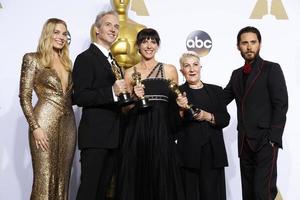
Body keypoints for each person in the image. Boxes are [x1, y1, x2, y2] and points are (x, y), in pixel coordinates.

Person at [116, 28, 185, 200]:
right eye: (145, 41)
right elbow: (125, 110)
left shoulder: (169, 70)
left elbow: (173, 106)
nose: (149, 45)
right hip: (137, 132)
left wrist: (181, 105)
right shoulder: (130, 72)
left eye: (153, 41)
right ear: (138, 46)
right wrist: (133, 96)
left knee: (162, 177)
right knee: (137, 177)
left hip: (162, 131)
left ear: (158, 46)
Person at [223, 26, 288, 200]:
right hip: (244, 142)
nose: (249, 47)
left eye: (253, 42)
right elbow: (221, 99)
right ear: (238, 46)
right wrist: (194, 91)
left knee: (263, 192)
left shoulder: (271, 69)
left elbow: (281, 105)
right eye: (245, 43)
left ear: (260, 44)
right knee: (248, 193)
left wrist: (274, 138)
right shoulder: (236, 75)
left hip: (265, 141)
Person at [19, 18, 76, 200]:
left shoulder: (68, 63)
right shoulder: (32, 59)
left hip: (68, 125)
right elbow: (25, 96)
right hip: (43, 121)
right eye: (56, 32)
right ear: (48, 34)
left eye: (64, 33)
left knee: (62, 180)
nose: (61, 37)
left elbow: (69, 97)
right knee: (44, 179)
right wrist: (35, 127)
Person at [72, 11, 126, 200]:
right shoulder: (85, 58)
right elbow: (80, 96)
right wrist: (112, 91)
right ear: (97, 30)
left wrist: (132, 96)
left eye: (116, 26)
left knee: (103, 191)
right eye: (108, 25)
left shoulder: (113, 62)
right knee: (89, 190)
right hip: (95, 136)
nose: (113, 29)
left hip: (113, 136)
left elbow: (118, 98)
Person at [176, 51, 230, 200]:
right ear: (182, 71)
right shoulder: (177, 93)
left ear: (200, 67)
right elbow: (172, 124)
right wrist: (180, 109)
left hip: (213, 153)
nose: (192, 69)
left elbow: (225, 119)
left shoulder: (216, 90)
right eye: (187, 66)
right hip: (188, 154)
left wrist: (207, 116)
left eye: (195, 65)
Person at [110, 0, 146, 68]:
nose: (121, 1)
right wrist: (116, 49)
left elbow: (146, 59)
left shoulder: (140, 29)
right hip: (106, 75)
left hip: (134, 75)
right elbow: (97, 57)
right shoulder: (98, 28)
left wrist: (129, 56)